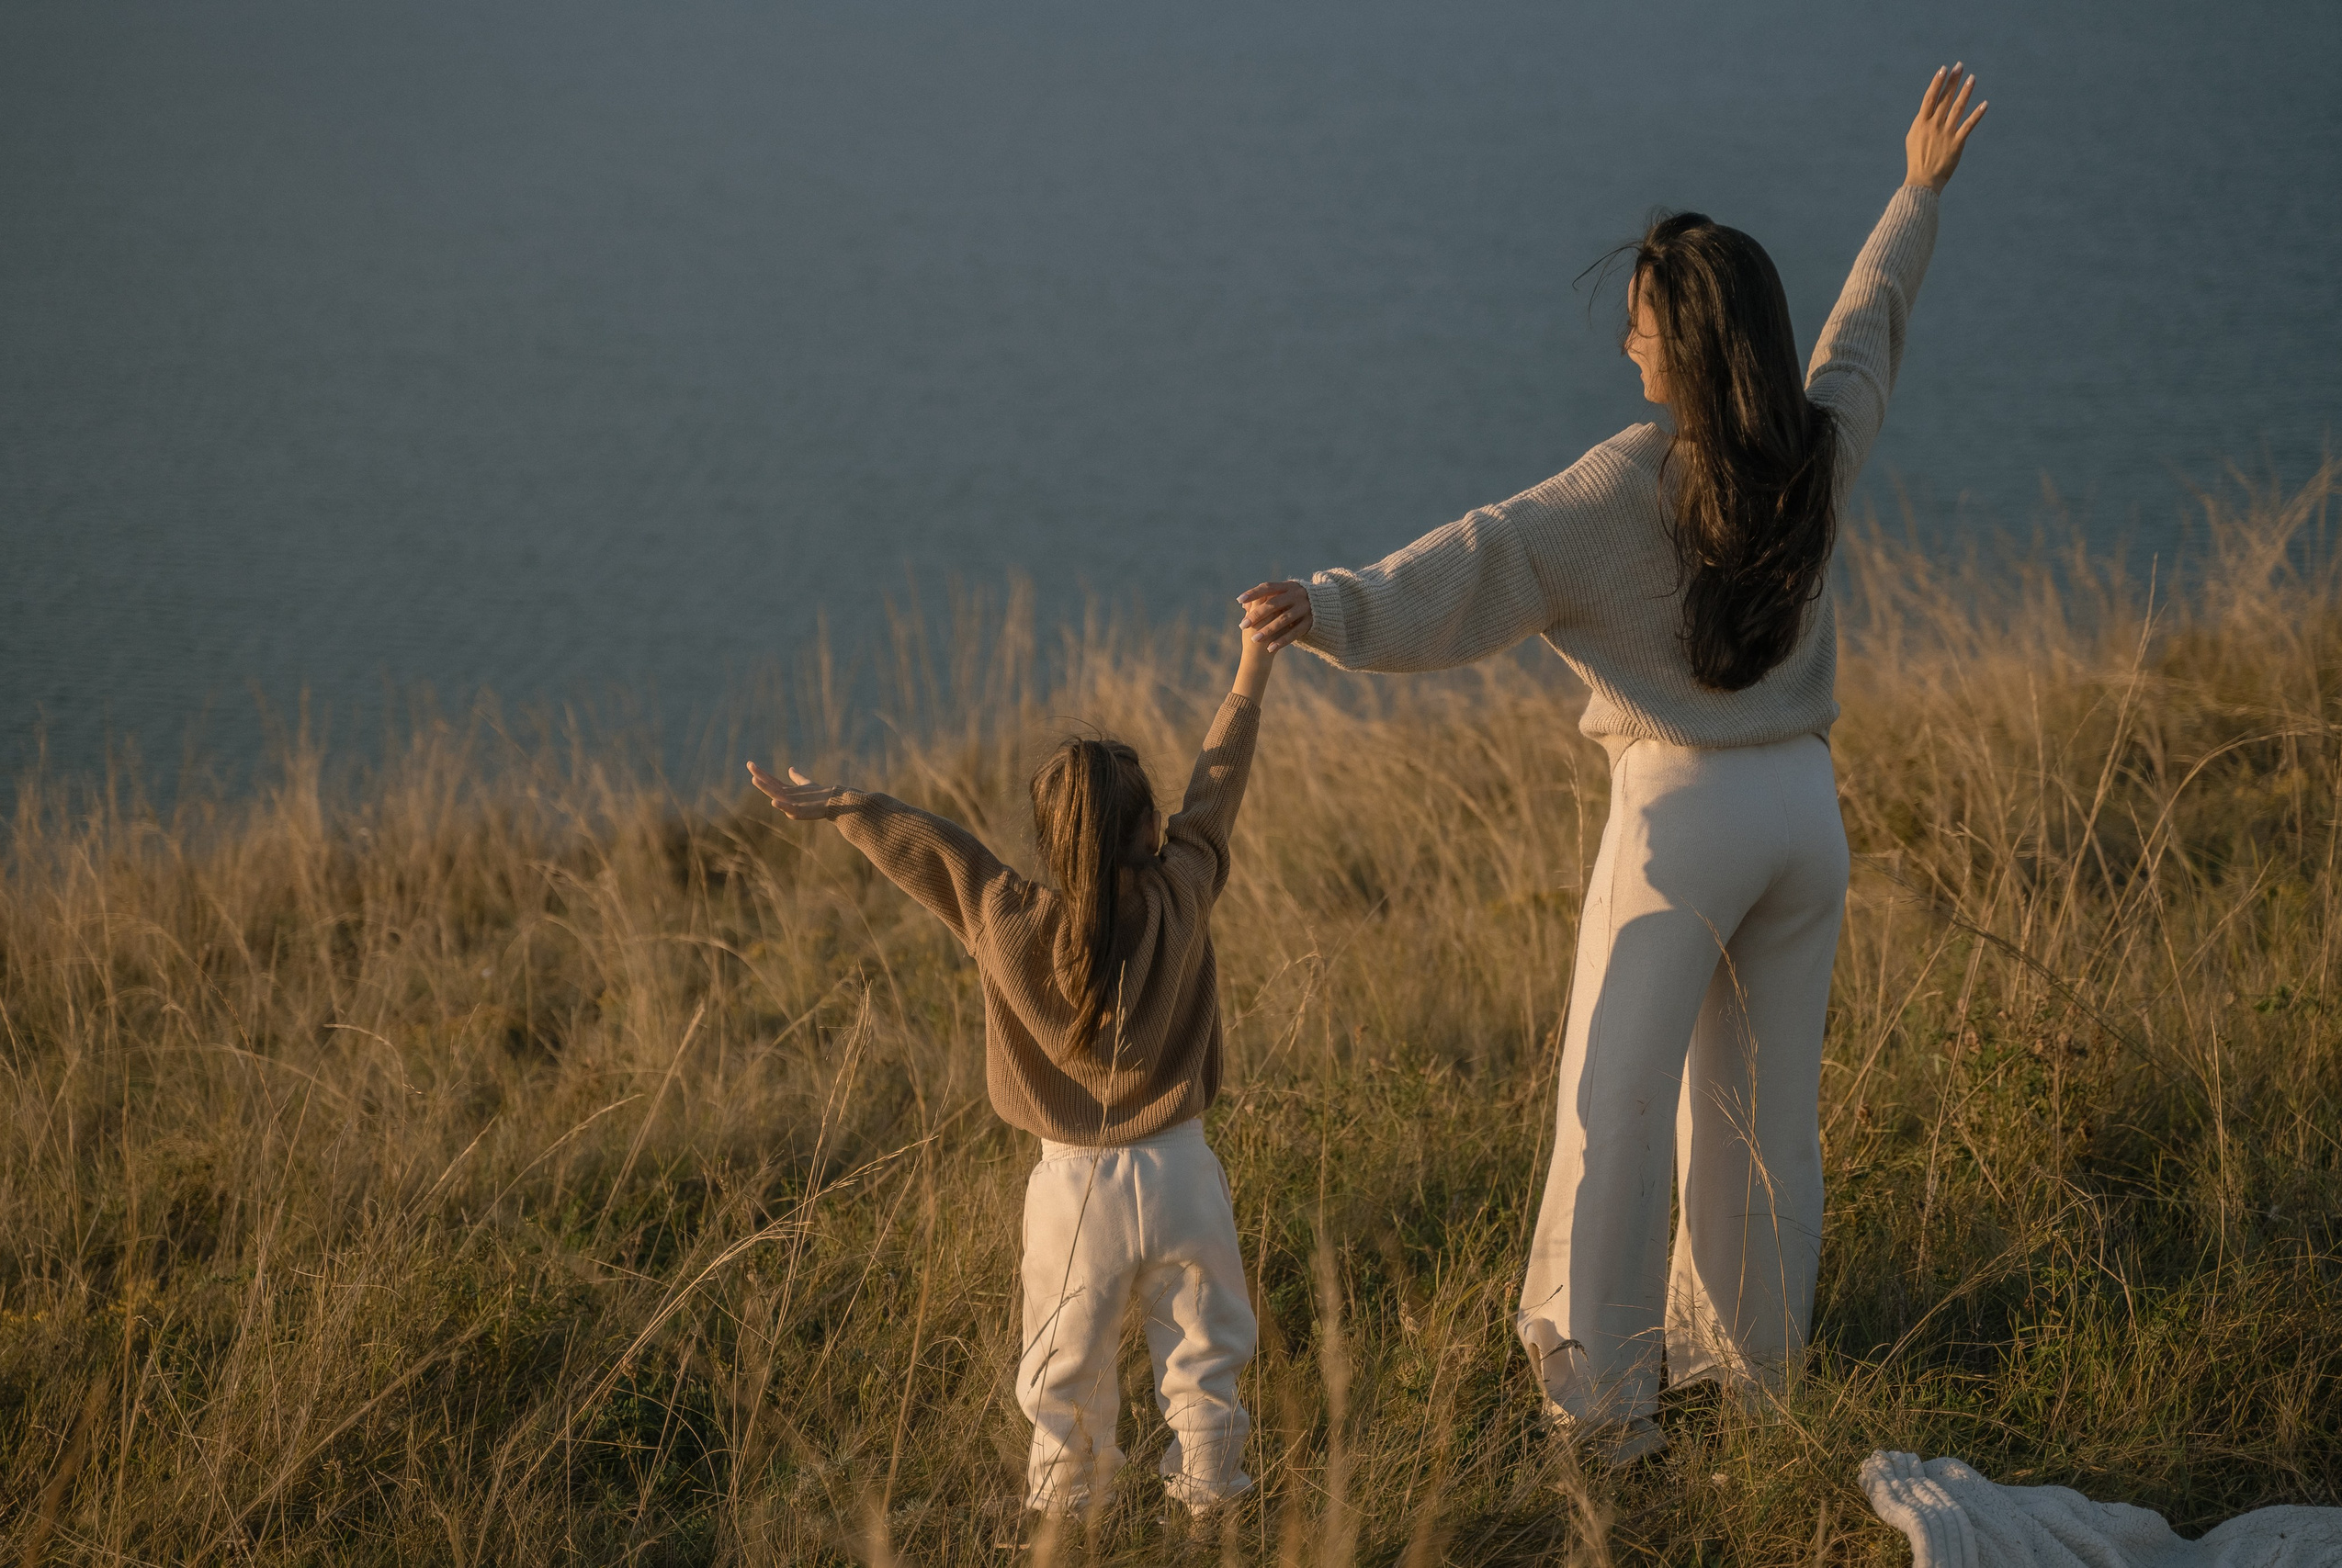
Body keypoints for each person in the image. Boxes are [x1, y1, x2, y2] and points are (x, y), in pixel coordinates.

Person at [1237, 67, 1988, 1461]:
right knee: (1765, 1119)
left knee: (1616, 1105)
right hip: (1804, 823)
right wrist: (1916, 192)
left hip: (1682, 818)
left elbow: (1470, 569)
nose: (1627, 350)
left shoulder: (1621, 489)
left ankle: (1604, 1413)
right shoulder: (1809, 455)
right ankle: (1756, 1385)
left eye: (1640, 326)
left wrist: (1326, 609)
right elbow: (1865, 331)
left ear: (1687, 347)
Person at [748, 621, 1276, 1523]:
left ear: (1050, 836)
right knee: (1204, 1352)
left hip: (1072, 1189)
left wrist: (847, 804)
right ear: (1148, 828)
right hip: (1183, 1170)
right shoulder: (1183, 887)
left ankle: (1068, 1518)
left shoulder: (1007, 917)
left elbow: (938, 854)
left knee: (1063, 1366)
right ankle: (1214, 1507)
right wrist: (1252, 665)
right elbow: (1215, 789)